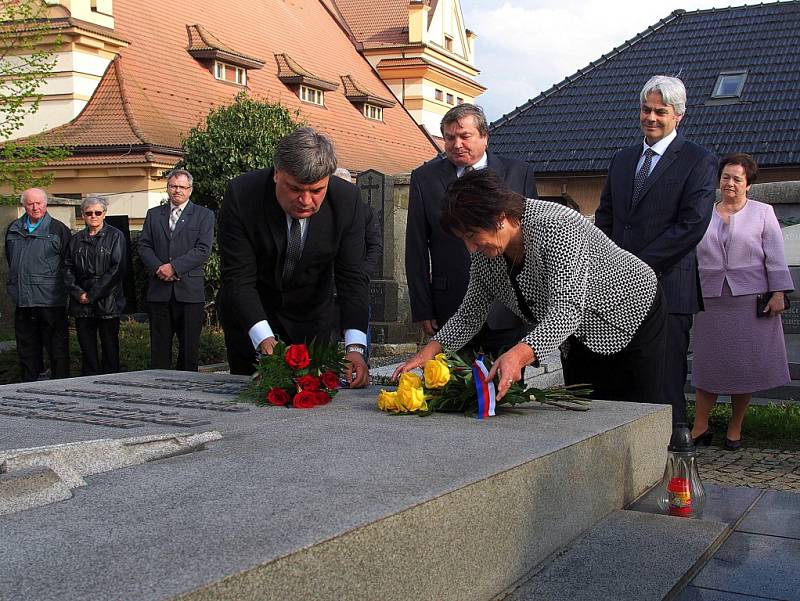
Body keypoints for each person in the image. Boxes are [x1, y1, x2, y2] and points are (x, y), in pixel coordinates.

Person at [394, 170, 666, 404]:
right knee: (585, 413)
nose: (471, 247)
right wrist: (428, 352)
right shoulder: (486, 253)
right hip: (576, 332)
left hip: (630, 314)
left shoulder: (556, 227)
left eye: (472, 236)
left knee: (634, 412)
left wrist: (519, 354)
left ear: (499, 216)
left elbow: (567, 308)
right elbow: (470, 313)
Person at [595, 75, 717, 424]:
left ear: (679, 115)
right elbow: (606, 216)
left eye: (660, 112)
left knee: (663, 387)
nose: (650, 117)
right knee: (621, 382)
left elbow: (691, 225)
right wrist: (606, 263)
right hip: (616, 292)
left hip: (667, 290)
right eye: (645, 110)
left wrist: (634, 266)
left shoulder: (699, 161)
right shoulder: (622, 159)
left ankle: (672, 464)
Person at [218, 127, 370, 386]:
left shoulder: (347, 201)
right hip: (252, 315)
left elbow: (352, 278)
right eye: (296, 189)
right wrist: (265, 340)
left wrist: (355, 347)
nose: (306, 200)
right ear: (277, 173)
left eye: (317, 190)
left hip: (313, 319)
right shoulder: (242, 196)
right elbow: (238, 277)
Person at [405, 103, 538, 358]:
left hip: (507, 306)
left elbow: (528, 241)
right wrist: (422, 307)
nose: (457, 144)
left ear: (484, 136)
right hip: (450, 304)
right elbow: (416, 247)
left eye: (465, 136)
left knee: (505, 390)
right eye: (449, 137)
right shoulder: (425, 178)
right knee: (451, 388)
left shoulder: (517, 173)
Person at [691, 154, 793, 449]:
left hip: (749, 301)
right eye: (725, 177)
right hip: (710, 299)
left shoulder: (763, 212)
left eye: (737, 179)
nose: (730, 183)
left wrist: (778, 293)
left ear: (748, 184)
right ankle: (700, 426)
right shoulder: (703, 213)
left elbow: (775, 256)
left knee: (743, 367)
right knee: (708, 365)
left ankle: (735, 428)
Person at [138, 169, 214, 371]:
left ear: (190, 189)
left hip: (188, 291)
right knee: (159, 348)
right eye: (173, 186)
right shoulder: (154, 214)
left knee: (189, 349)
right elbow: (144, 246)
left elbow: (203, 249)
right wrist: (159, 269)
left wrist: (174, 267)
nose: (177, 191)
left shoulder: (204, 215)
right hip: (159, 291)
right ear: (167, 188)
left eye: (182, 187)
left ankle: (186, 394)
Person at [5, 188, 71, 381]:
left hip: (51, 300)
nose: (35, 208)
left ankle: (61, 385)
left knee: (57, 349)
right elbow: (11, 260)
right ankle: (28, 386)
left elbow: (68, 263)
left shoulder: (58, 229)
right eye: (30, 204)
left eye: (39, 203)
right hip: (24, 300)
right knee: (26, 348)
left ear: (46, 203)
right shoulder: (13, 229)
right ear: (24, 205)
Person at [63, 196, 126, 375]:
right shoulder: (75, 240)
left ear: (104, 214)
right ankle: (88, 380)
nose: (93, 216)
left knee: (110, 347)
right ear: (83, 215)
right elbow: (67, 269)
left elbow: (117, 268)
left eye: (98, 213)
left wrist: (93, 294)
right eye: (89, 213)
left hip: (108, 300)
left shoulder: (115, 236)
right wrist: (79, 293)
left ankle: (112, 381)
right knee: (87, 347)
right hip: (81, 301)